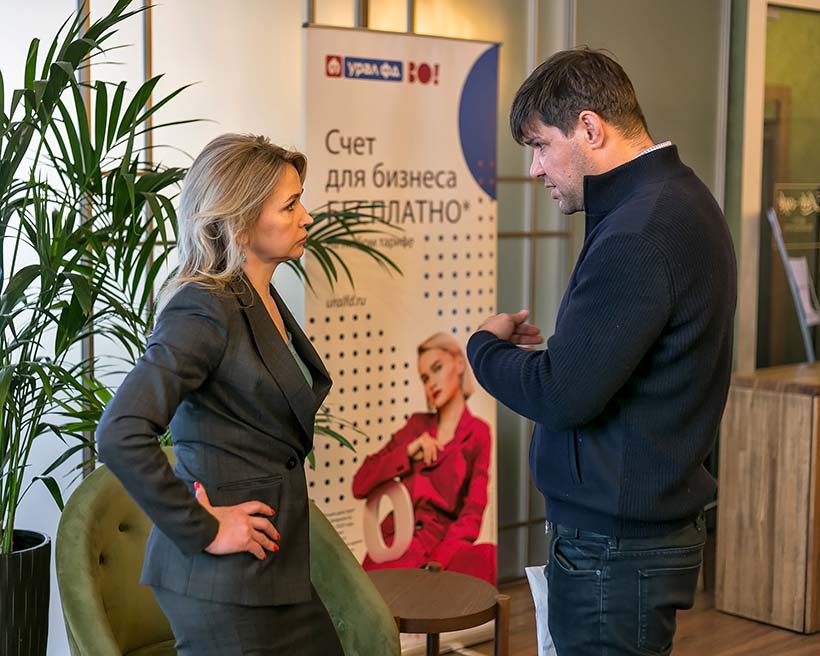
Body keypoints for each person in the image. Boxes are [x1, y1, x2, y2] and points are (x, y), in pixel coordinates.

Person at [467, 48, 736, 655]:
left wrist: (483, 346)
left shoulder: (639, 230)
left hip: (616, 549)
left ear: (589, 128)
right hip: (631, 538)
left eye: (541, 145)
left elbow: (560, 394)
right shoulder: (677, 200)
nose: (535, 169)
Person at [97, 134, 344, 656]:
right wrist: (205, 528)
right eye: (290, 205)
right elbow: (120, 432)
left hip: (272, 567)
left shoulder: (258, 296)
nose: (307, 217)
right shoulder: (203, 306)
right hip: (220, 579)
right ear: (240, 221)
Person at [352, 332, 496, 584]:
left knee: (489, 558)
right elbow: (360, 484)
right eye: (425, 378)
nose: (431, 383)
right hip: (398, 545)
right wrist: (408, 451)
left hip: (446, 549)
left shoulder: (478, 433)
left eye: (437, 368)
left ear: (459, 363)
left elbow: (472, 511)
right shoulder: (416, 426)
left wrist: (438, 562)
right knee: (386, 596)